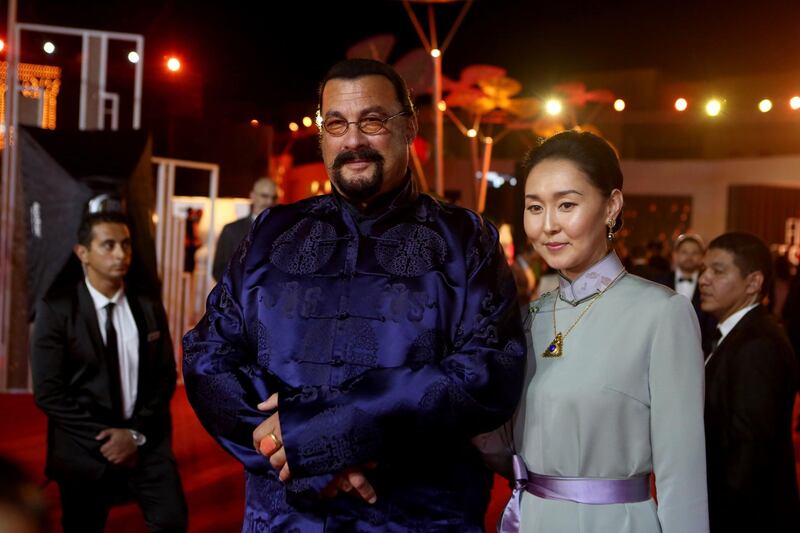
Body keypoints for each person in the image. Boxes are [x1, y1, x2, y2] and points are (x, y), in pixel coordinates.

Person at [183, 58, 526, 531]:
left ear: (409, 126)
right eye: (337, 124)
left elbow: (489, 372)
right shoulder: (269, 234)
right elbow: (208, 356)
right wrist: (302, 457)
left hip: (418, 516)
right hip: (286, 516)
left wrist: (328, 433)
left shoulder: (467, 241)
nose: (353, 141)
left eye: (372, 121)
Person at [495, 131, 708, 532]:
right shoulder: (528, 317)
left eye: (567, 205)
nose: (549, 225)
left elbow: (683, 473)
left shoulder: (661, 313)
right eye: (535, 207)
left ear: (611, 206)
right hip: (530, 519)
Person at [30, 211, 187, 533]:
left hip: (146, 441)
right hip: (84, 448)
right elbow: (49, 392)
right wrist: (103, 439)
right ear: (82, 253)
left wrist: (133, 435)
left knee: (172, 521)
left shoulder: (147, 304)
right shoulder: (56, 309)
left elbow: (165, 374)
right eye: (109, 245)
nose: (121, 254)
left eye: (126, 245)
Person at [699, 232, 799, 531]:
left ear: (753, 283)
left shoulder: (758, 344)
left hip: (746, 517)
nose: (704, 279)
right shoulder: (741, 334)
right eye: (704, 270)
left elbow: (749, 452)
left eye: (718, 271)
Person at [657, 233, 717, 354]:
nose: (689, 257)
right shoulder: (659, 283)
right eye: (684, 252)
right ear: (675, 255)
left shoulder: (711, 285)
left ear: (702, 257)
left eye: (695, 253)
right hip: (663, 349)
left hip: (701, 352)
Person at [212, 177, 278, 281]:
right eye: (264, 196)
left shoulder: (284, 230)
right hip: (241, 295)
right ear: (252, 196)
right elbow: (218, 270)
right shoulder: (231, 230)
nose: (270, 201)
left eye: (274, 198)